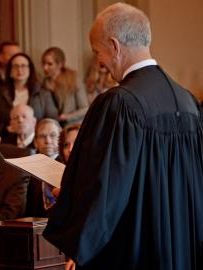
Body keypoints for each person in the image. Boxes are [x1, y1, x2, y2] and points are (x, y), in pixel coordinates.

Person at [43, 3, 203, 270]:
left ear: (114, 46)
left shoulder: (120, 104)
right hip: (182, 249)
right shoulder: (187, 102)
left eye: (98, 52)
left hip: (136, 251)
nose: (99, 63)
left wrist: (70, 197)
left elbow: (104, 189)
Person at [0, 52, 58, 137]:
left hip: (37, 141)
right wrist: (6, 129)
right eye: (15, 66)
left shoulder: (43, 94)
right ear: (10, 70)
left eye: (23, 66)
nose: (20, 70)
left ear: (30, 69)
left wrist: (36, 129)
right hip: (7, 141)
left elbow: (53, 120)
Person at [41, 47, 88, 126]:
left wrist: (68, 116)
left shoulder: (73, 79)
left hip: (73, 126)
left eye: (50, 64)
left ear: (60, 64)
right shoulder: (43, 83)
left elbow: (85, 109)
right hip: (53, 127)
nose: (45, 68)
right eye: (44, 63)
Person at [25, 118, 62, 217]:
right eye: (42, 136)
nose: (48, 141)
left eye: (53, 135)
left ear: (61, 138)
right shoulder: (27, 168)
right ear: (36, 142)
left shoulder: (67, 166)